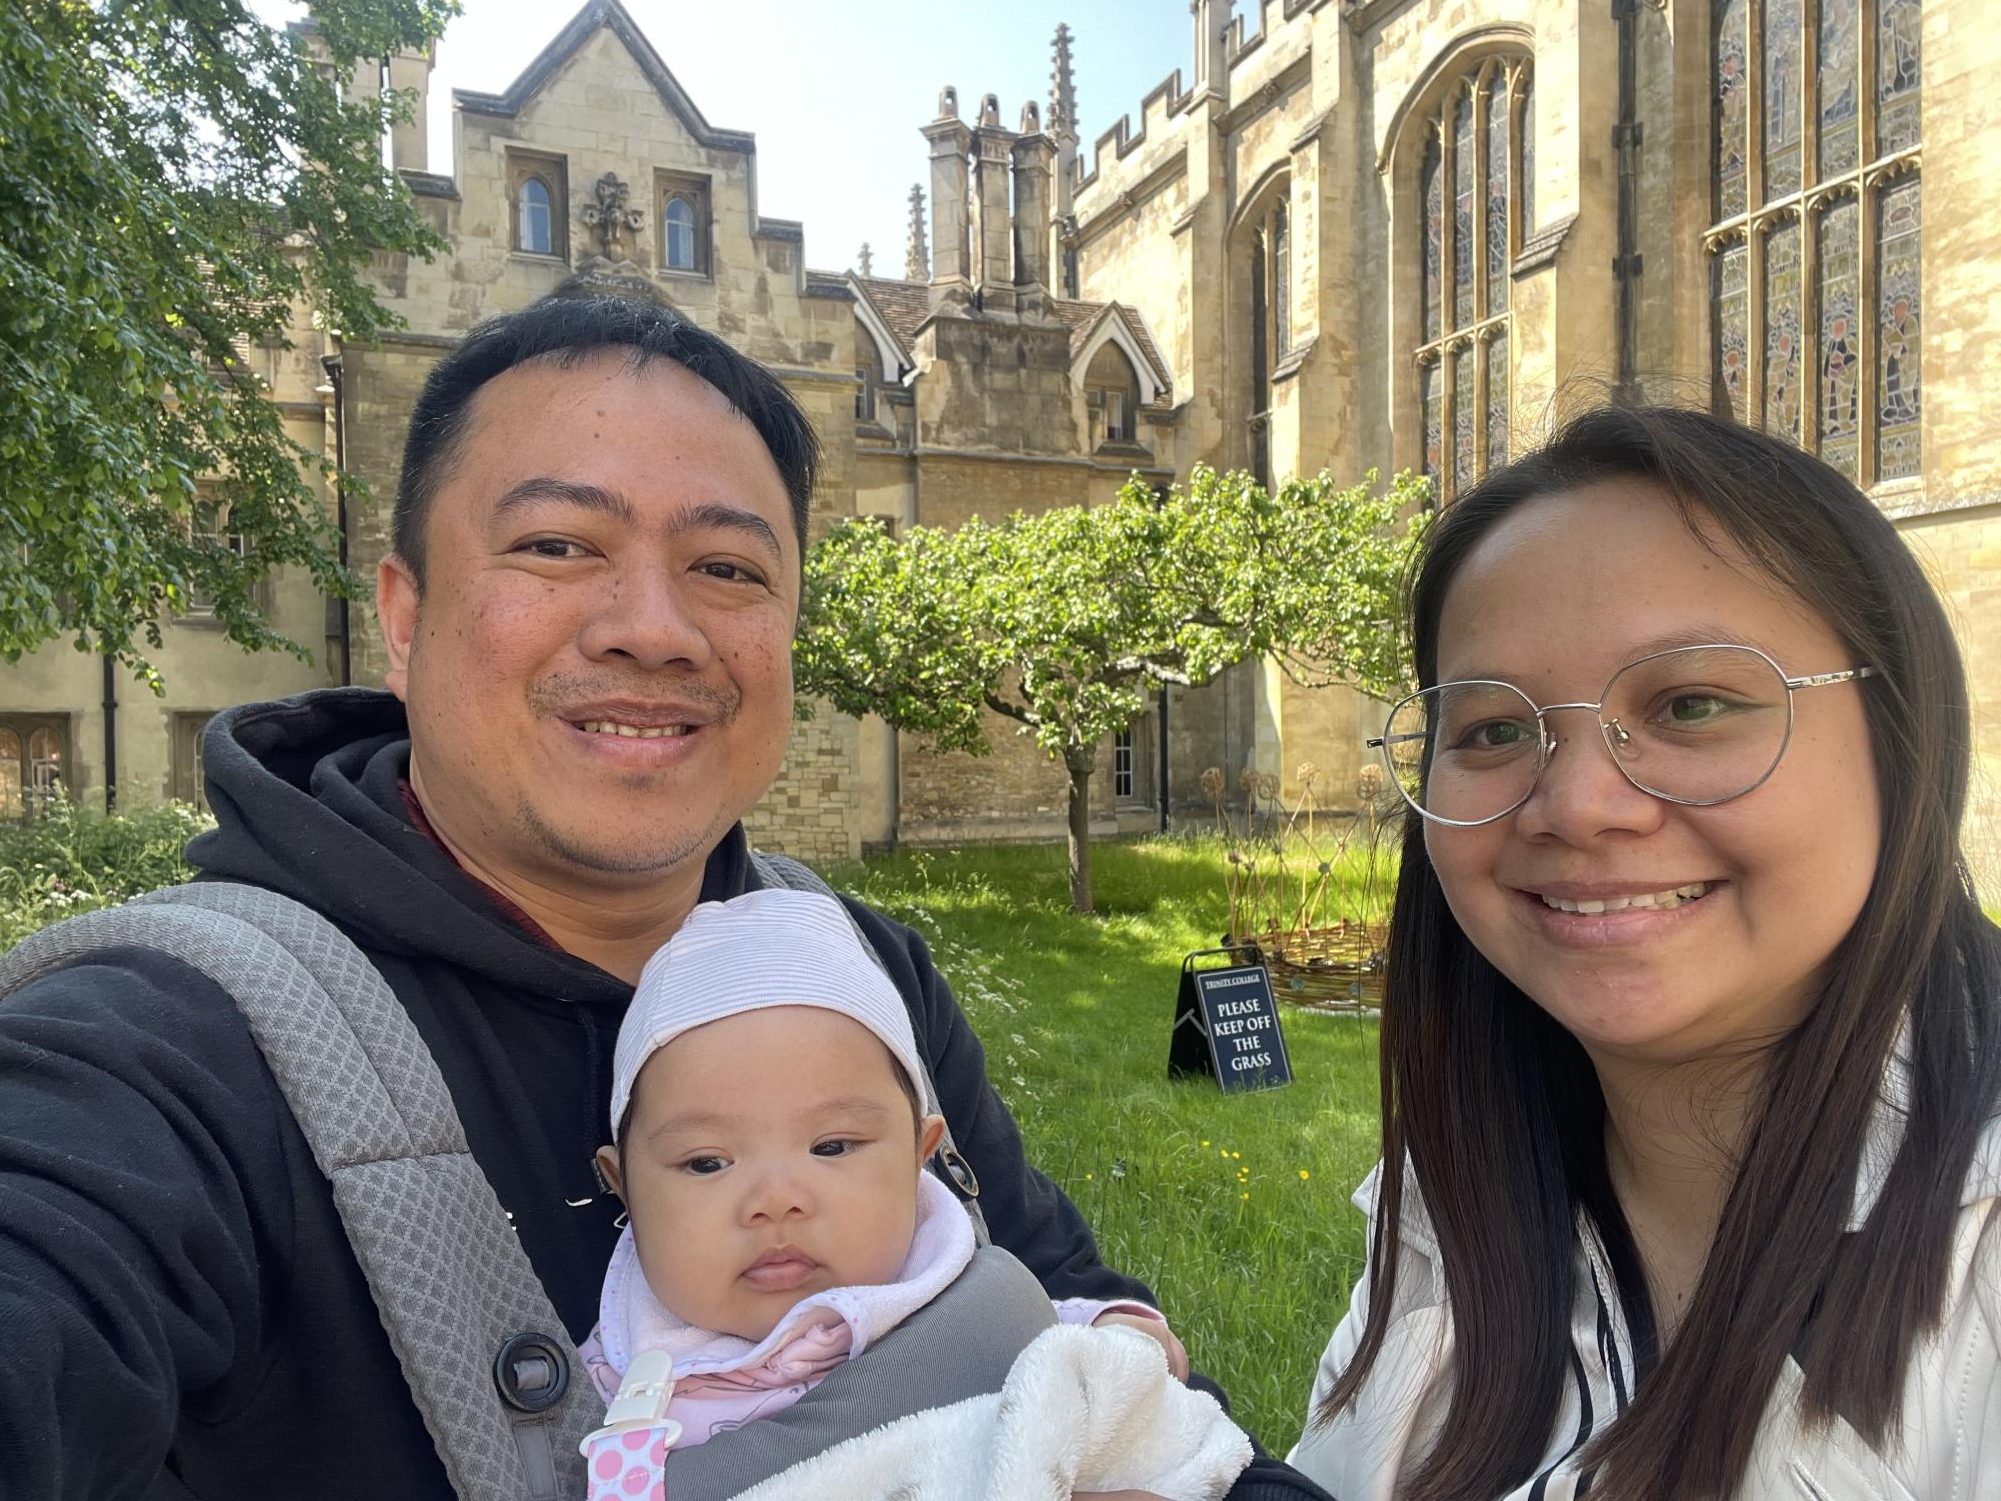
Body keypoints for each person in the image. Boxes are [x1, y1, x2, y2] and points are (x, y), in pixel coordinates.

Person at [0, 292, 1327, 1500]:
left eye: (730, 568)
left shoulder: (851, 962)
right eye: (559, 542)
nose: (653, 624)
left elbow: (1089, 1327)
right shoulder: (168, 1047)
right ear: (402, 620)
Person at [1288, 404, 2001, 1500]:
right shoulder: (1454, 1193)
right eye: (1492, 729)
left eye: (1693, 703)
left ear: (1902, 735)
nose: (1576, 807)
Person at [577, 887, 1248, 1500]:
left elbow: (1064, 1354)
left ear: (919, 1156)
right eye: (705, 1161)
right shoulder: (618, 1380)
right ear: (623, 1188)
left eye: (832, 1146)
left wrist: (1115, 1331)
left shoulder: (950, 1291)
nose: (774, 1200)